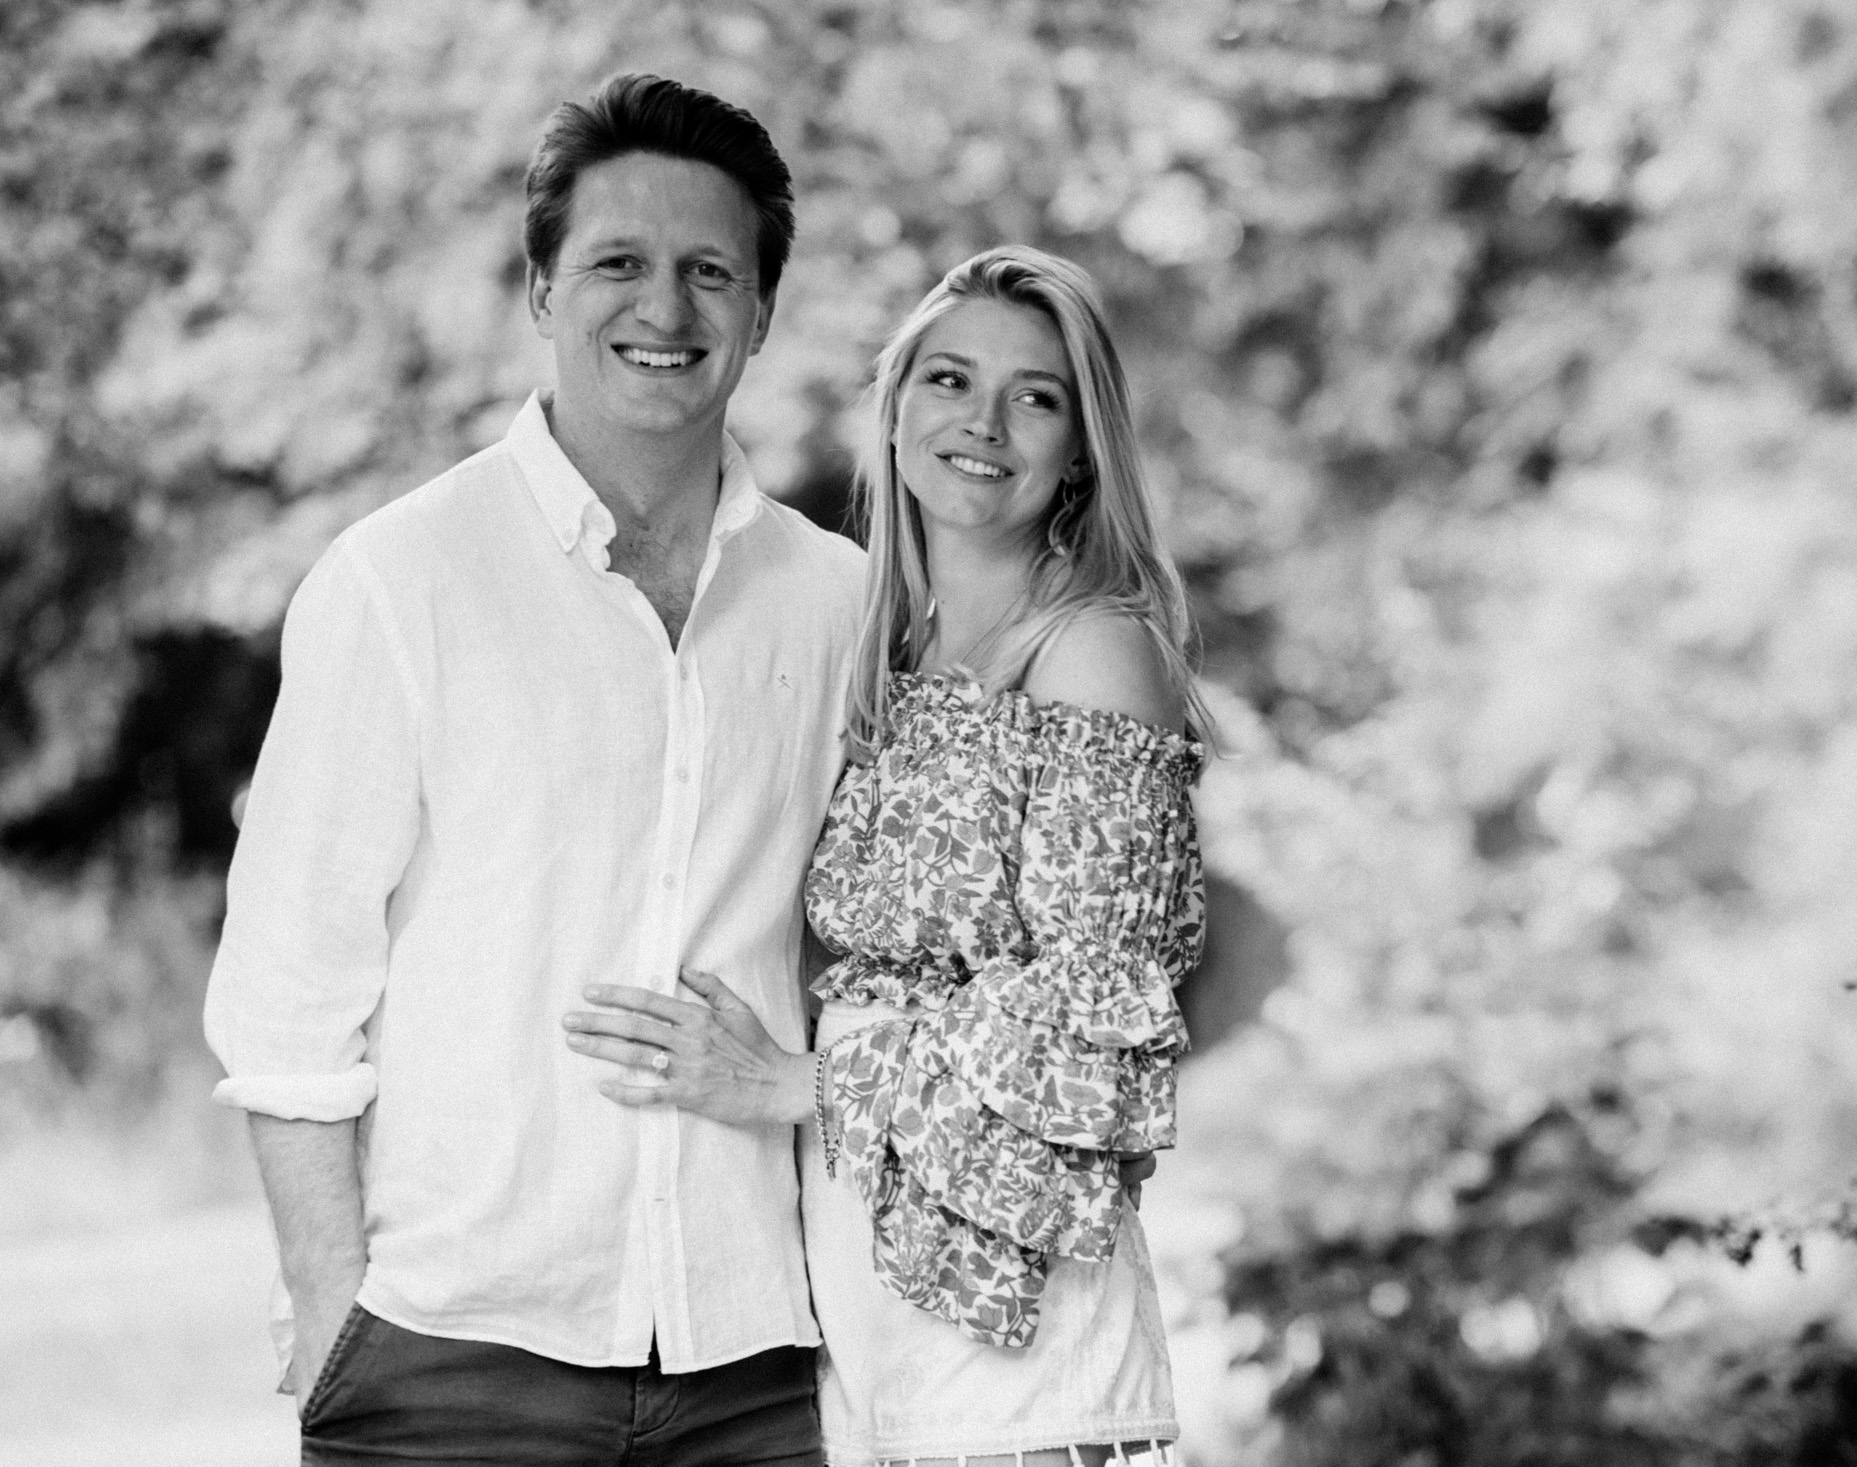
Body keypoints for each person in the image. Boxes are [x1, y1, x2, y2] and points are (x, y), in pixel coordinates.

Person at [202, 73, 864, 1464]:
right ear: (541, 291)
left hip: (761, 1360)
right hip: (456, 1360)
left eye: (709, 272)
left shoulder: (842, 605)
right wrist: (335, 1316)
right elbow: (286, 993)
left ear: (762, 310)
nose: (665, 310)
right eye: (619, 262)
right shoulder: (402, 580)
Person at [564, 246, 1208, 1467]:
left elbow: (1098, 1021)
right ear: (897, 408)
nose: (984, 422)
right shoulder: (880, 644)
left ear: (1081, 445)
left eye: (1037, 395)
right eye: (950, 381)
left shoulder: (1090, 654)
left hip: (1025, 1357)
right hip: (867, 1324)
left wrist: (800, 1086)